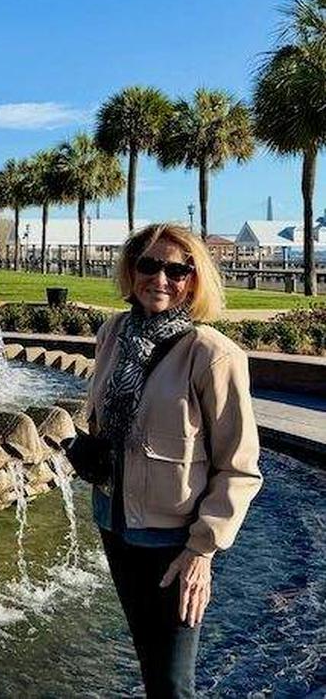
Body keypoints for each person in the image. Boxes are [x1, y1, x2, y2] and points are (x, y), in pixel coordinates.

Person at [77, 222, 263, 698]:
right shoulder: (114, 332)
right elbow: (105, 414)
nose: (160, 278)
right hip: (115, 522)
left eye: (177, 269)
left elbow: (238, 468)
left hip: (174, 541)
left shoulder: (213, 355)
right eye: (149, 264)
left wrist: (202, 550)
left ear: (194, 280)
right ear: (131, 270)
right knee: (147, 655)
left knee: (174, 680)